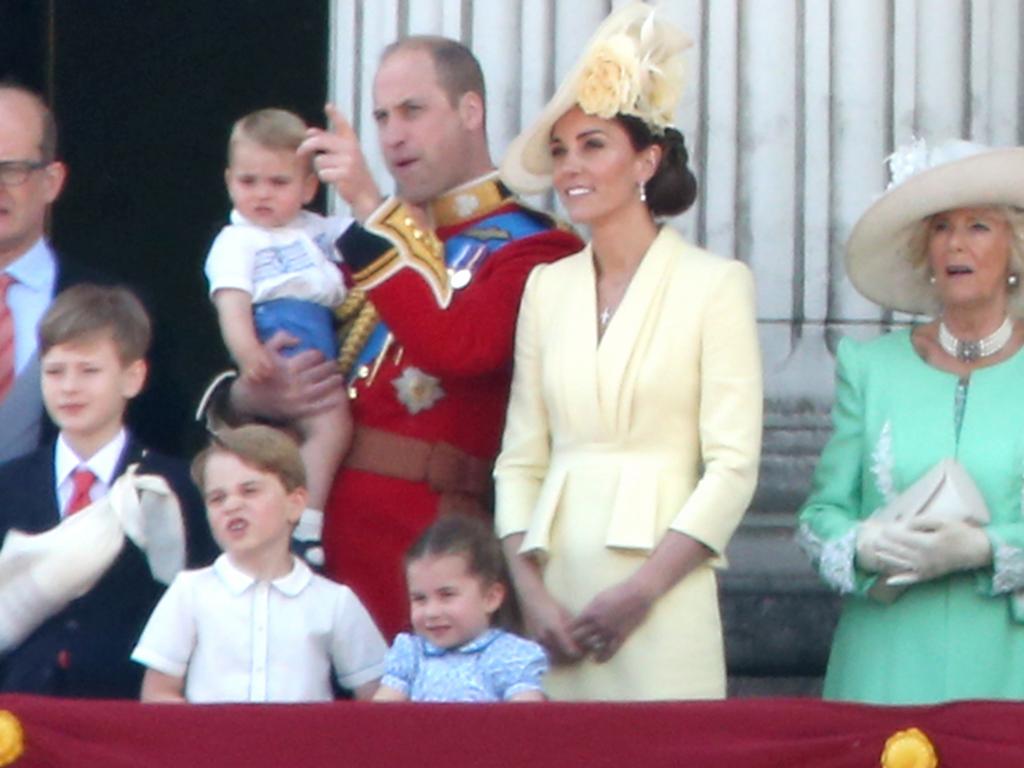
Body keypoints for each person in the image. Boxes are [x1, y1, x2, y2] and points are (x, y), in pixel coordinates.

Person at [203, 36, 583, 639]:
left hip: (425, 550)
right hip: (310, 544)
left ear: (470, 112)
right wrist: (252, 398)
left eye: (413, 111)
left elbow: (461, 348)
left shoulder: (533, 246)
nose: (392, 135)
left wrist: (367, 205)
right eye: (381, 117)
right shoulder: (353, 243)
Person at [493, 3, 763, 701]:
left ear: (646, 159)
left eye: (592, 144)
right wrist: (529, 595)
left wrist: (642, 592)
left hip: (663, 594)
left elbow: (732, 467)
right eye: (559, 151)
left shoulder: (716, 285)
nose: (571, 167)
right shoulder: (545, 289)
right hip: (557, 600)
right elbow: (522, 457)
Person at [797, 138, 1024, 705]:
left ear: (1014, 248)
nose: (955, 243)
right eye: (941, 226)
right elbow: (818, 516)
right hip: (885, 664)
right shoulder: (871, 368)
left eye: (978, 226)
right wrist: (864, 544)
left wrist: (986, 550)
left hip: (1008, 665)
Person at [0, 284, 215, 697]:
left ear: (133, 377)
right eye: (55, 370)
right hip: (19, 721)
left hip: (128, 717)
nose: (69, 387)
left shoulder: (179, 488)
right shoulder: (7, 487)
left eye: (89, 370)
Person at [132, 425, 387, 703]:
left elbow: (376, 699)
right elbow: (158, 692)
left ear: (296, 503)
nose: (232, 505)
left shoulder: (333, 602)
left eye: (249, 491)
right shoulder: (190, 592)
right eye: (217, 498)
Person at [205, 108, 353, 555]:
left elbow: (377, 232)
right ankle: (305, 519)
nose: (262, 194)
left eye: (279, 182)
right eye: (249, 182)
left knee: (325, 427)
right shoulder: (236, 240)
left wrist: (360, 185)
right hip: (275, 342)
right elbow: (231, 305)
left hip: (322, 347)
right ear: (230, 181)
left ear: (309, 187)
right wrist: (249, 355)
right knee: (327, 428)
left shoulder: (316, 231)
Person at [373, 514, 547, 702]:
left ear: (491, 597)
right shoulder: (411, 656)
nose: (431, 612)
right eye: (419, 598)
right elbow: (381, 718)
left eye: (447, 595)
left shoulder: (508, 657)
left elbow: (526, 721)